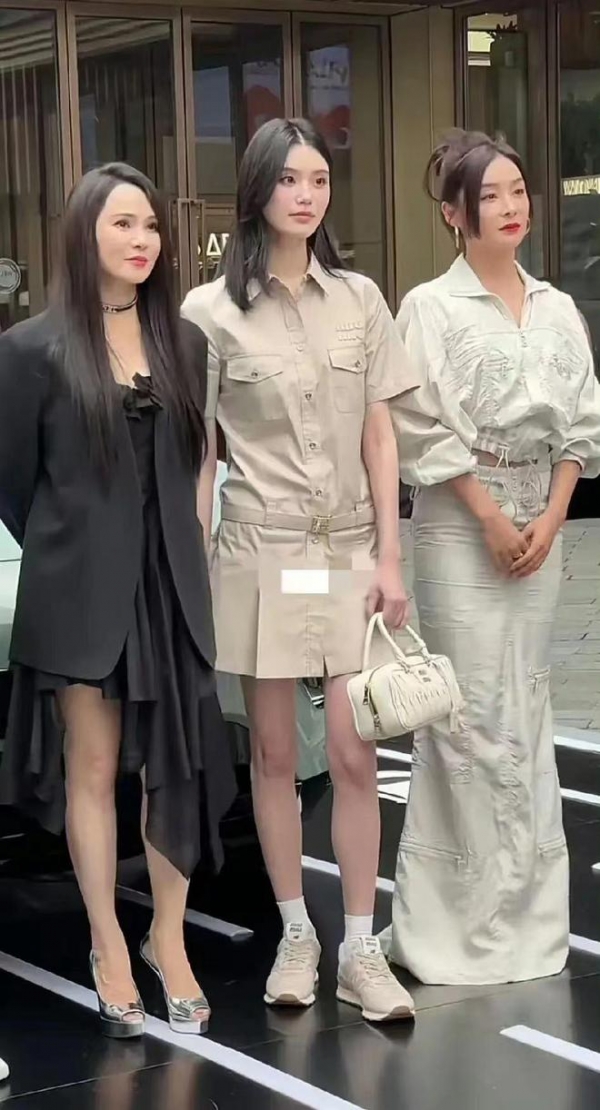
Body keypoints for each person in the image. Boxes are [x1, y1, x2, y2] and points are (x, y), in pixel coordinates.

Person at [182, 117, 419, 1022]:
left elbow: (379, 435)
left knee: (356, 751)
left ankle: (360, 948)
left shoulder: (360, 298)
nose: (307, 195)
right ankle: (296, 935)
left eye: (319, 179)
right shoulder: (208, 312)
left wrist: (390, 557)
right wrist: (195, 570)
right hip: (261, 552)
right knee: (277, 755)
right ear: (258, 190)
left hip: (348, 549)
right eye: (290, 179)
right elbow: (203, 456)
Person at [0, 163, 236, 1036]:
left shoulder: (186, 342)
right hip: (81, 595)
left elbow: (196, 461)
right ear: (84, 234)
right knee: (93, 771)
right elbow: (14, 484)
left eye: (151, 226)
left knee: (177, 764)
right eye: (122, 224)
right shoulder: (31, 348)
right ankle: (107, 941)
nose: (142, 241)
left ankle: (166, 939)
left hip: (172, 585)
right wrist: (79, 547)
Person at [384, 129, 600, 985]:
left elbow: (583, 421)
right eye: (491, 196)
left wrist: (552, 516)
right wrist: (489, 517)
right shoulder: (429, 307)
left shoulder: (557, 308)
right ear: (454, 214)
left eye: (518, 190)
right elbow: (416, 425)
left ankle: (528, 927)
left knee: (527, 706)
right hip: (457, 526)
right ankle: (452, 929)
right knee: (465, 716)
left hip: (541, 524)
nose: (512, 207)